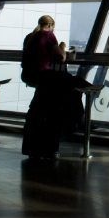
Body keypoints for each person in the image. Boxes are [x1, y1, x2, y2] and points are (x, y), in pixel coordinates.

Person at [21, 15, 87, 159]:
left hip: (31, 76)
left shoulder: (30, 37)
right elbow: (61, 57)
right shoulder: (49, 36)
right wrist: (63, 48)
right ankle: (80, 118)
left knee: (40, 109)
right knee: (75, 84)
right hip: (46, 77)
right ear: (51, 26)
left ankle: (36, 148)